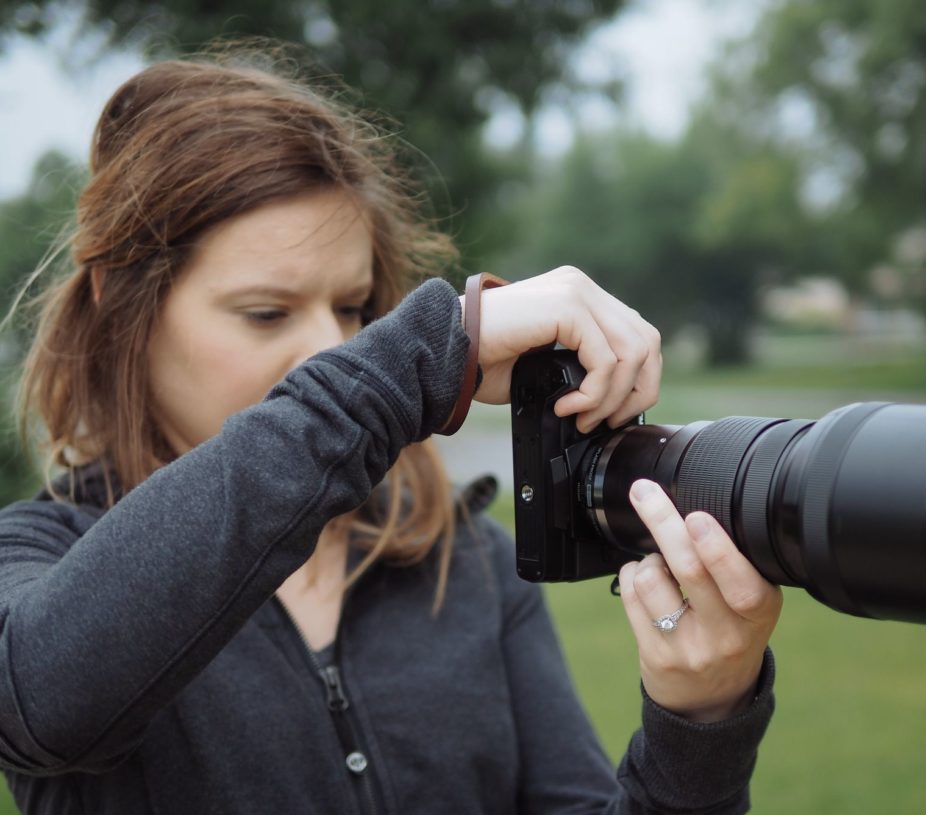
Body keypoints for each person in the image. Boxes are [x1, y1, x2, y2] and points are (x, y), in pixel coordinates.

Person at [0, 45, 782, 814]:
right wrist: (435, 349)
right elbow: (45, 700)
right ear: (118, 303)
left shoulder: (467, 559)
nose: (330, 349)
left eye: (353, 308)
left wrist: (697, 726)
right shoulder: (37, 559)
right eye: (267, 311)